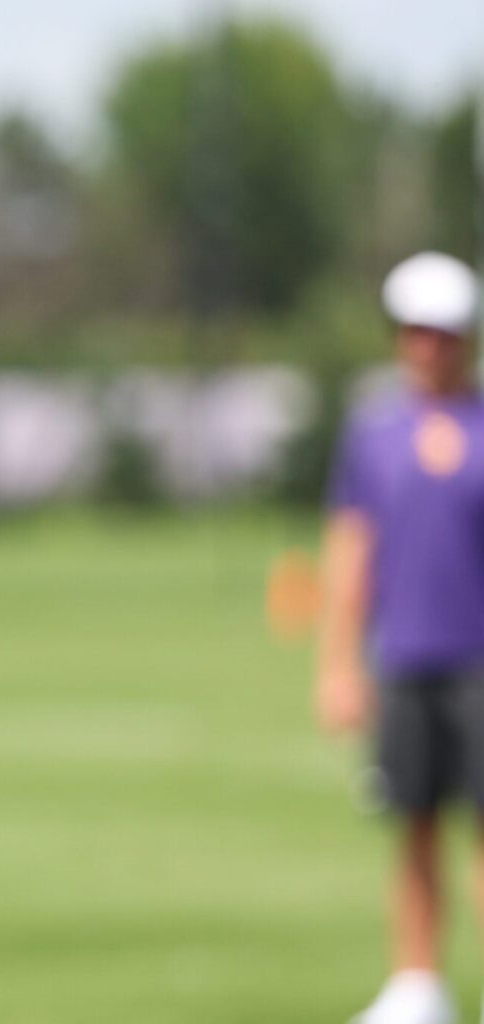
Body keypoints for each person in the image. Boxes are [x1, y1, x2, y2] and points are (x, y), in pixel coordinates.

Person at [317, 251, 484, 1024]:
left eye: (444, 334)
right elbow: (352, 550)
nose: (430, 348)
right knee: (413, 825)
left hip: (479, 663)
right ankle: (419, 988)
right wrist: (338, 663)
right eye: (416, 333)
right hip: (407, 657)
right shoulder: (375, 436)